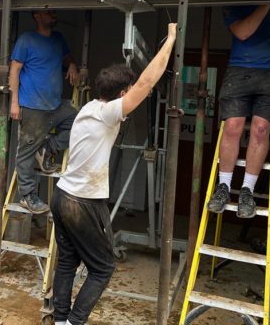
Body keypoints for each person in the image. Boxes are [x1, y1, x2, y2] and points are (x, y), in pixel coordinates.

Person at [50, 23, 177, 325]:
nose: (133, 95)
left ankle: (60, 321)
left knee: (68, 261)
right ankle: (73, 322)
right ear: (122, 94)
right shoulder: (108, 114)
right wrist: (170, 39)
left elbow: (137, 86)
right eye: (128, 92)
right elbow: (146, 84)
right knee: (103, 268)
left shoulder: (89, 107)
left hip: (62, 195)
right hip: (83, 203)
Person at [207, 4, 270, 218]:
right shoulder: (234, 3)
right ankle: (223, 187)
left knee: (261, 130)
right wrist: (268, 3)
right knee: (232, 127)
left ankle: (247, 192)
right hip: (240, 68)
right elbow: (242, 32)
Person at [9, 10, 79, 215]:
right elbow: (14, 71)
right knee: (25, 152)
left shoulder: (58, 39)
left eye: (55, 12)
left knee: (81, 122)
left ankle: (48, 148)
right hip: (32, 106)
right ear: (37, 16)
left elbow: (67, 57)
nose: (54, 15)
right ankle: (27, 196)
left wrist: (72, 64)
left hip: (56, 105)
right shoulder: (26, 40)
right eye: (48, 13)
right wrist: (15, 103)